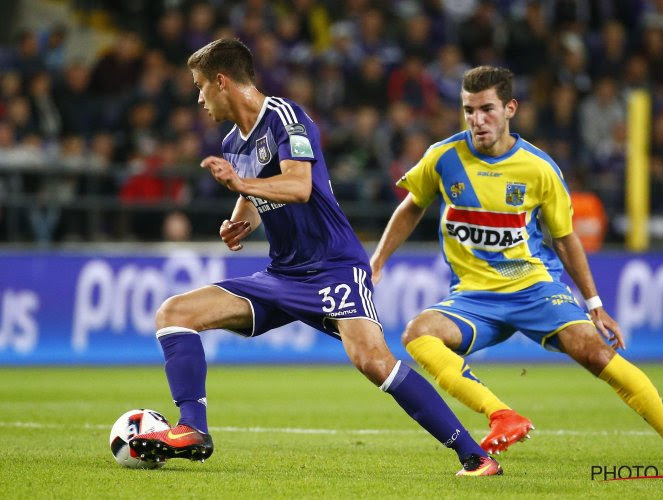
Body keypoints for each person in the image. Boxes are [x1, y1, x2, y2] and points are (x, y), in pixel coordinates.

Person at [128, 39, 500, 477]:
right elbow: (256, 195)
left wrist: (241, 185)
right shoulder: (232, 142)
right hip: (282, 273)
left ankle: (475, 456)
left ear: (222, 81)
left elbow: (298, 185)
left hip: (333, 265)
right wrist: (239, 221)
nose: (198, 98)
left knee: (373, 361)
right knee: (175, 312)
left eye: (200, 86)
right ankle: (192, 428)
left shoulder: (286, 116)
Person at [369, 66, 663, 462]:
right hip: (474, 297)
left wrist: (595, 304)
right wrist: (378, 261)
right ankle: (502, 415)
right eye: (469, 110)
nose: (478, 120)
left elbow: (564, 238)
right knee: (417, 333)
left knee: (597, 353)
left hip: (535, 287)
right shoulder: (443, 157)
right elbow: (412, 206)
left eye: (487, 109)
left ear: (510, 108)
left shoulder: (539, 168)